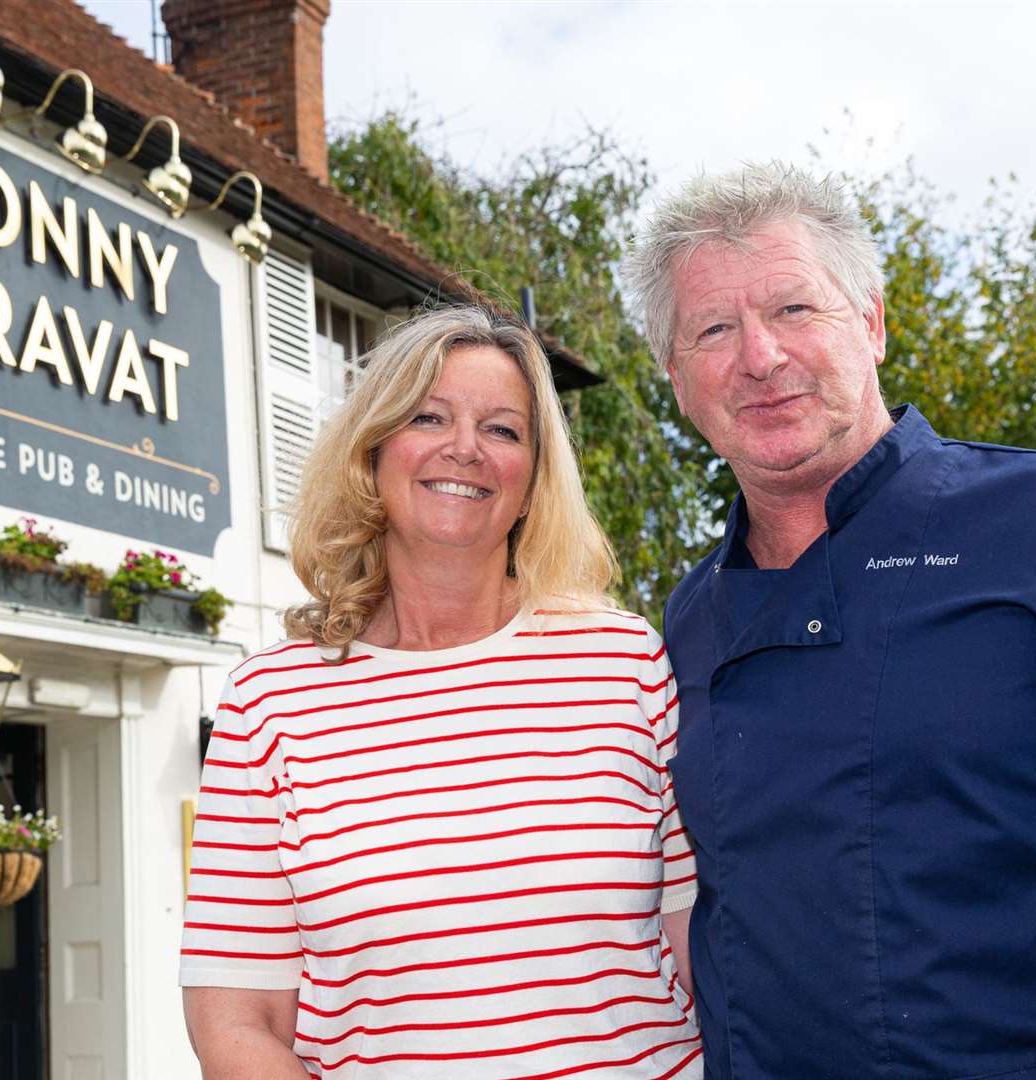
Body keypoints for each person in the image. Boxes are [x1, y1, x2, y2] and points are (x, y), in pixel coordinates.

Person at [622, 162, 1036, 1078]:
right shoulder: (686, 623)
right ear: (679, 381)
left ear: (873, 324)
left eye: (795, 310)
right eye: (714, 330)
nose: (760, 357)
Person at [180, 306, 703, 1079]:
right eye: (429, 416)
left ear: (531, 483)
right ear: (374, 455)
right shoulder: (269, 704)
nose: (466, 448)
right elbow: (235, 1020)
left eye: (503, 429)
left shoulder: (625, 663)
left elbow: (705, 950)